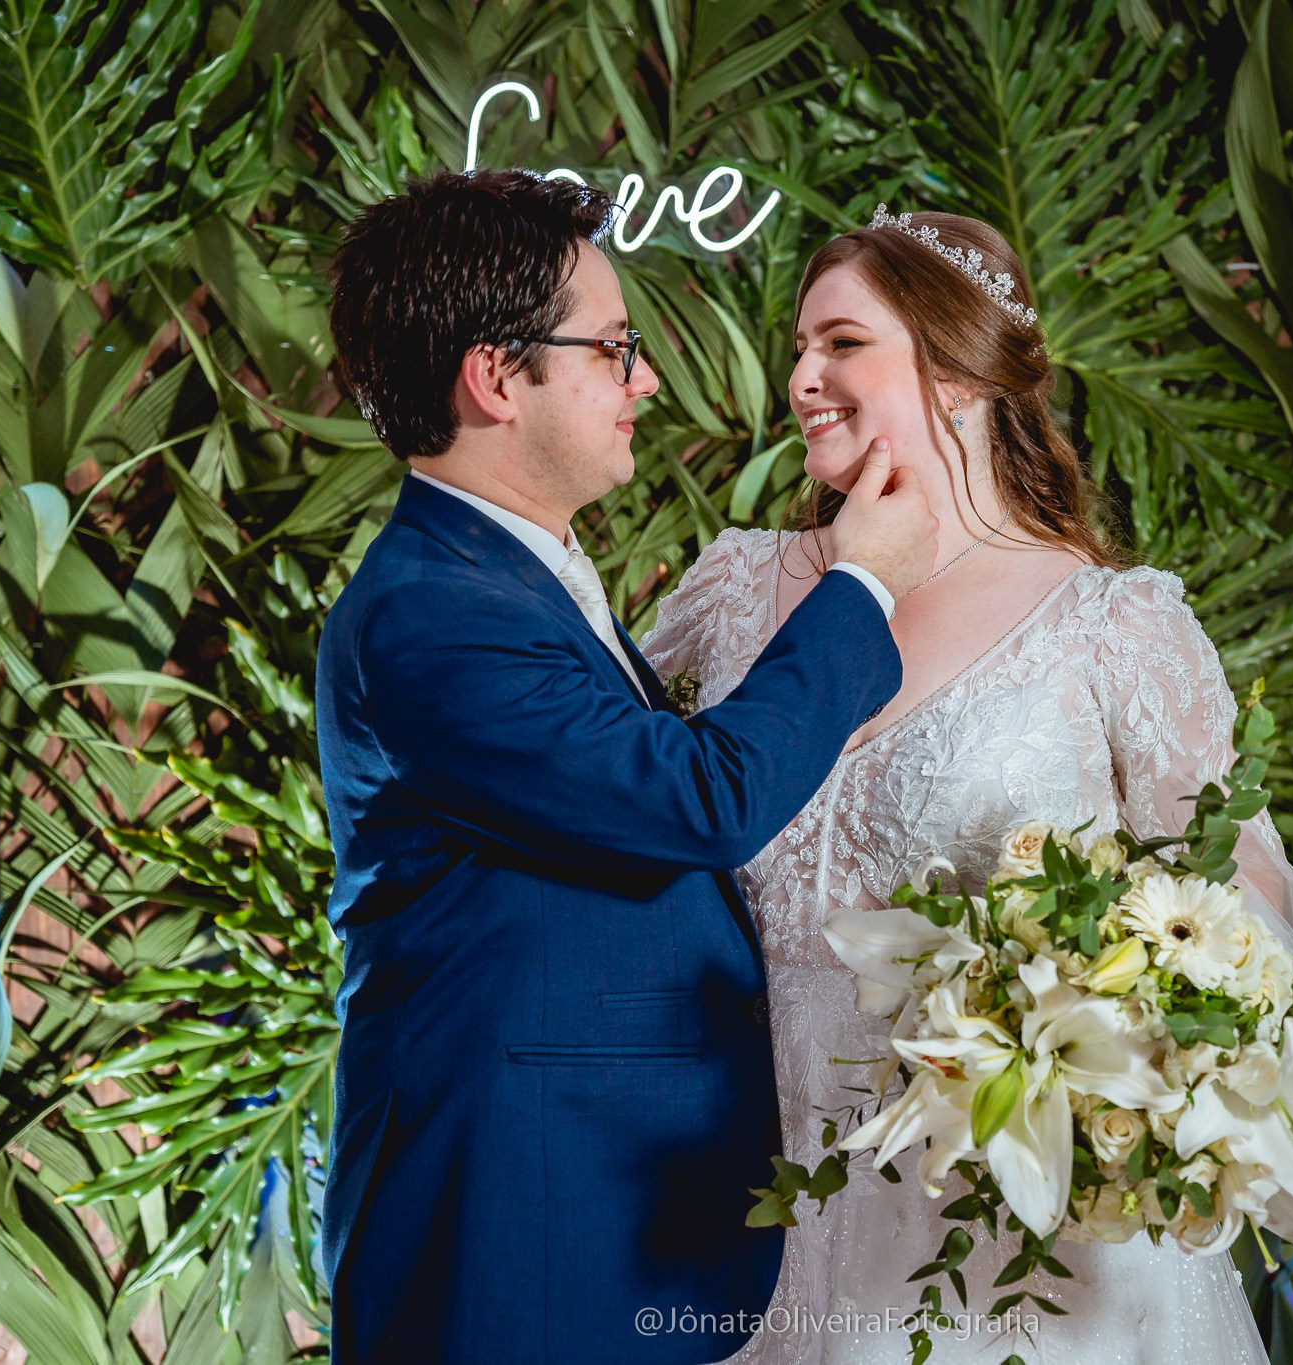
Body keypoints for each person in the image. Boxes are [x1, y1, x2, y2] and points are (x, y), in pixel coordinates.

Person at [642, 208, 1293, 1364]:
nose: (801, 376)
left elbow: (1235, 905)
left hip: (1031, 1236)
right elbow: (607, 791)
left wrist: (1119, 1012)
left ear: (956, 374)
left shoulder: (1114, 625)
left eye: (841, 343)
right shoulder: (733, 587)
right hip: (769, 1216)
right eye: (800, 346)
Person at [315, 170, 938, 1364]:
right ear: (496, 378)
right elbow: (701, 797)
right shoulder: (429, 613)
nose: (645, 379)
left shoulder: (505, 576)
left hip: (605, 1214)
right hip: (517, 1233)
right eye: (612, 347)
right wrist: (862, 579)